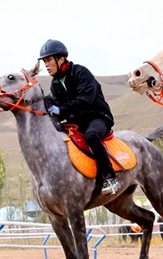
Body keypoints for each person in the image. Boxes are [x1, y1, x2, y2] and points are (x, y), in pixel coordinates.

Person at [39, 39, 119, 196]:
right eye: (44, 62)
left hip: (98, 117)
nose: (46, 65)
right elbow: (60, 108)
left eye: (48, 60)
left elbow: (84, 100)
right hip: (78, 122)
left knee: (92, 135)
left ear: (61, 59)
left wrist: (61, 109)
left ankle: (110, 177)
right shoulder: (55, 84)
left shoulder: (81, 72)